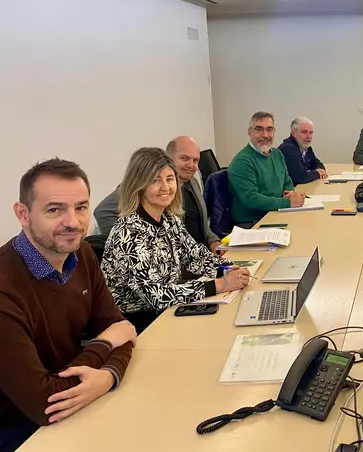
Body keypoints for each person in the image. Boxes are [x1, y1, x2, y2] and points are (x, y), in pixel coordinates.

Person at [0, 159, 136, 451]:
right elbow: (44, 404)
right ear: (23, 214)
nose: (73, 222)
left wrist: (109, 377)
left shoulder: (82, 253)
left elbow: (121, 328)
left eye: (81, 207)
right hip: (17, 426)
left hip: (76, 397)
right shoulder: (5, 287)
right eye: (54, 209)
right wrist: (104, 348)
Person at [101, 148, 251, 333]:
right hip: (134, 322)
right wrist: (221, 284)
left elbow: (196, 256)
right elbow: (156, 296)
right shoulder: (128, 233)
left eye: (170, 179)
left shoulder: (169, 220)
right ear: (139, 184)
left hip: (165, 310)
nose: (166, 187)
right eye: (156, 180)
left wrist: (229, 269)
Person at [94, 137, 221, 254]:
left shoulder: (172, 218)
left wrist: (215, 245)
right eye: (184, 158)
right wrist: (124, 239)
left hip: (191, 259)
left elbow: (201, 228)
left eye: (195, 160)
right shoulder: (131, 233)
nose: (191, 165)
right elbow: (102, 211)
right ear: (168, 157)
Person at [228, 111, 305, 227]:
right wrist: (288, 202)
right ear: (249, 132)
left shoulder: (277, 154)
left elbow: (287, 180)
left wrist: (289, 192)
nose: (265, 134)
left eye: (269, 129)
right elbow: (251, 199)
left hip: (275, 213)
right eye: (259, 129)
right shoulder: (243, 161)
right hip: (253, 222)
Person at [278, 117, 328, 185]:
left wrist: (319, 169)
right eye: (304, 132)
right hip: (286, 192)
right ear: (293, 133)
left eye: (311, 133)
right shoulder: (289, 148)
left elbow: (316, 163)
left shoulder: (305, 147)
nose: (308, 136)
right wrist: (318, 173)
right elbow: (300, 177)